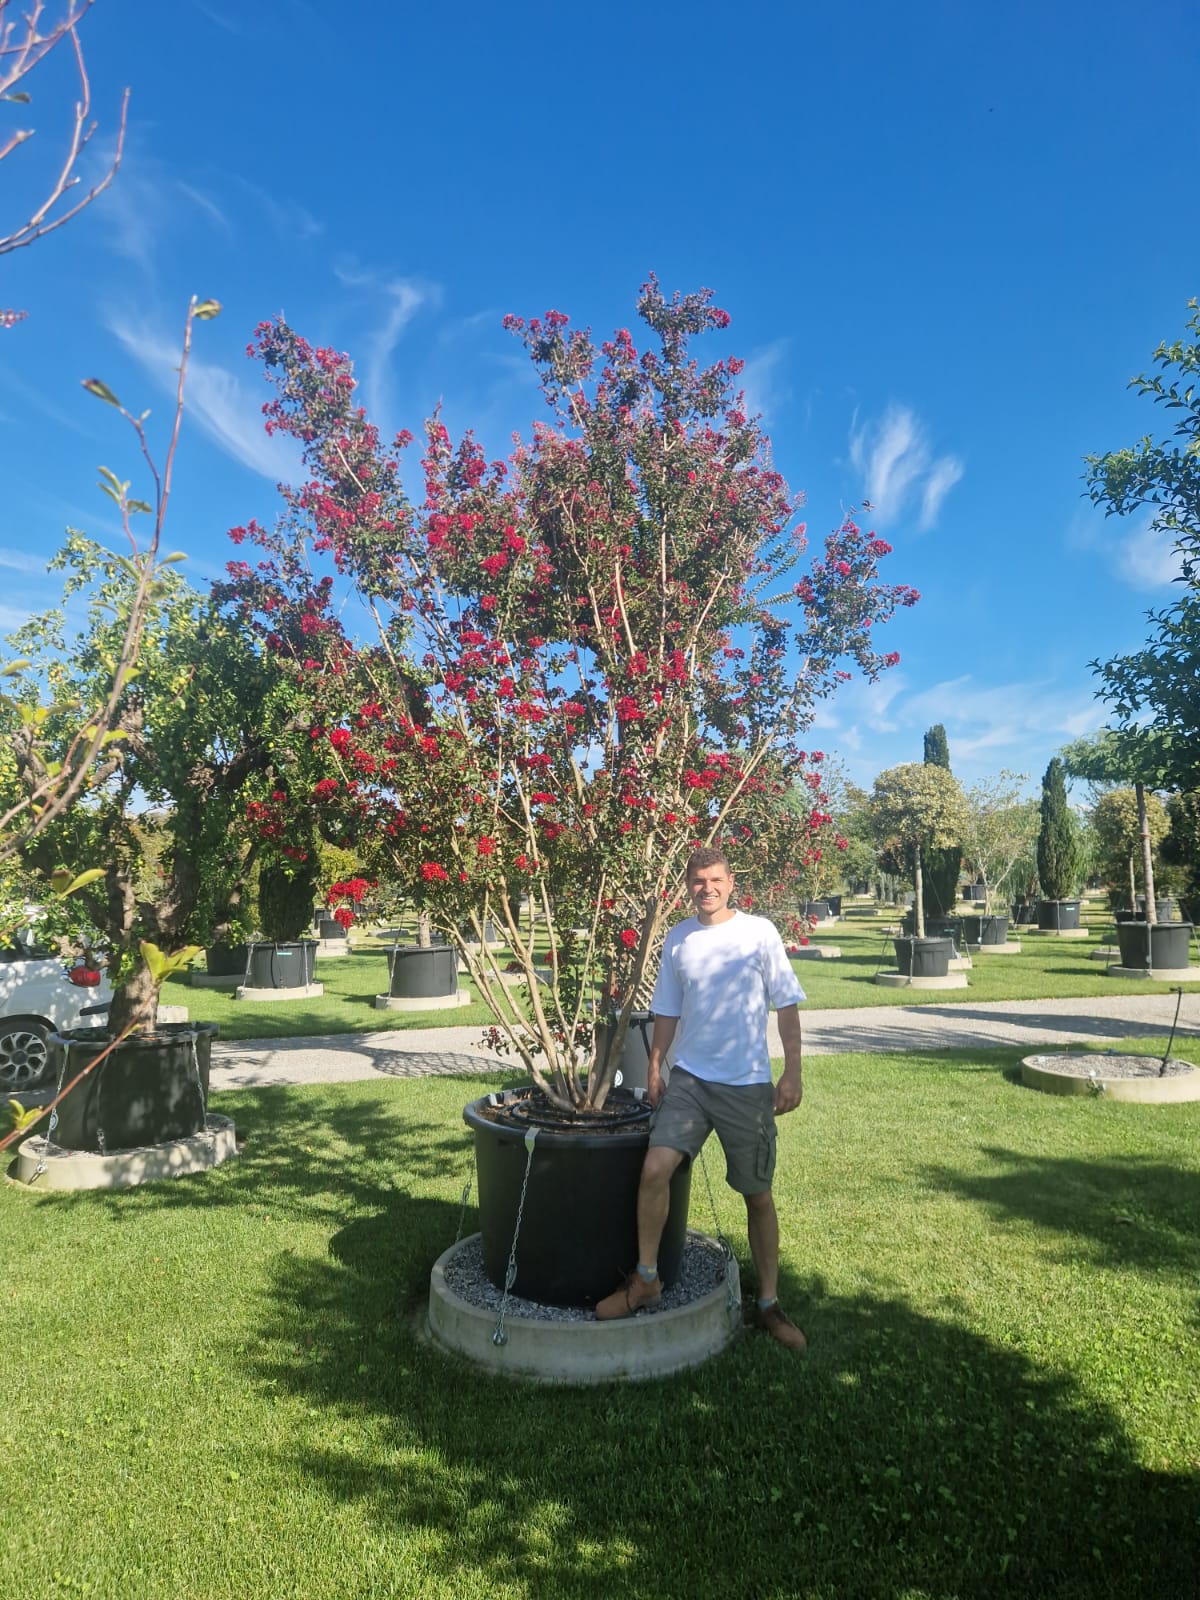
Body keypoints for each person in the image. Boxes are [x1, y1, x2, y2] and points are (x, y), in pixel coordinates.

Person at [596, 846, 808, 1350]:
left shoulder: (759, 933)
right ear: (687, 886)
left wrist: (792, 1073)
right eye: (697, 880)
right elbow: (666, 1010)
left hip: (746, 1083)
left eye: (715, 879)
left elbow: (787, 1007)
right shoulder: (678, 939)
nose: (706, 887)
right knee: (654, 1170)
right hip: (689, 1081)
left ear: (731, 883)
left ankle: (768, 1306)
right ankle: (646, 1280)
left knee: (757, 1195)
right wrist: (654, 1067)